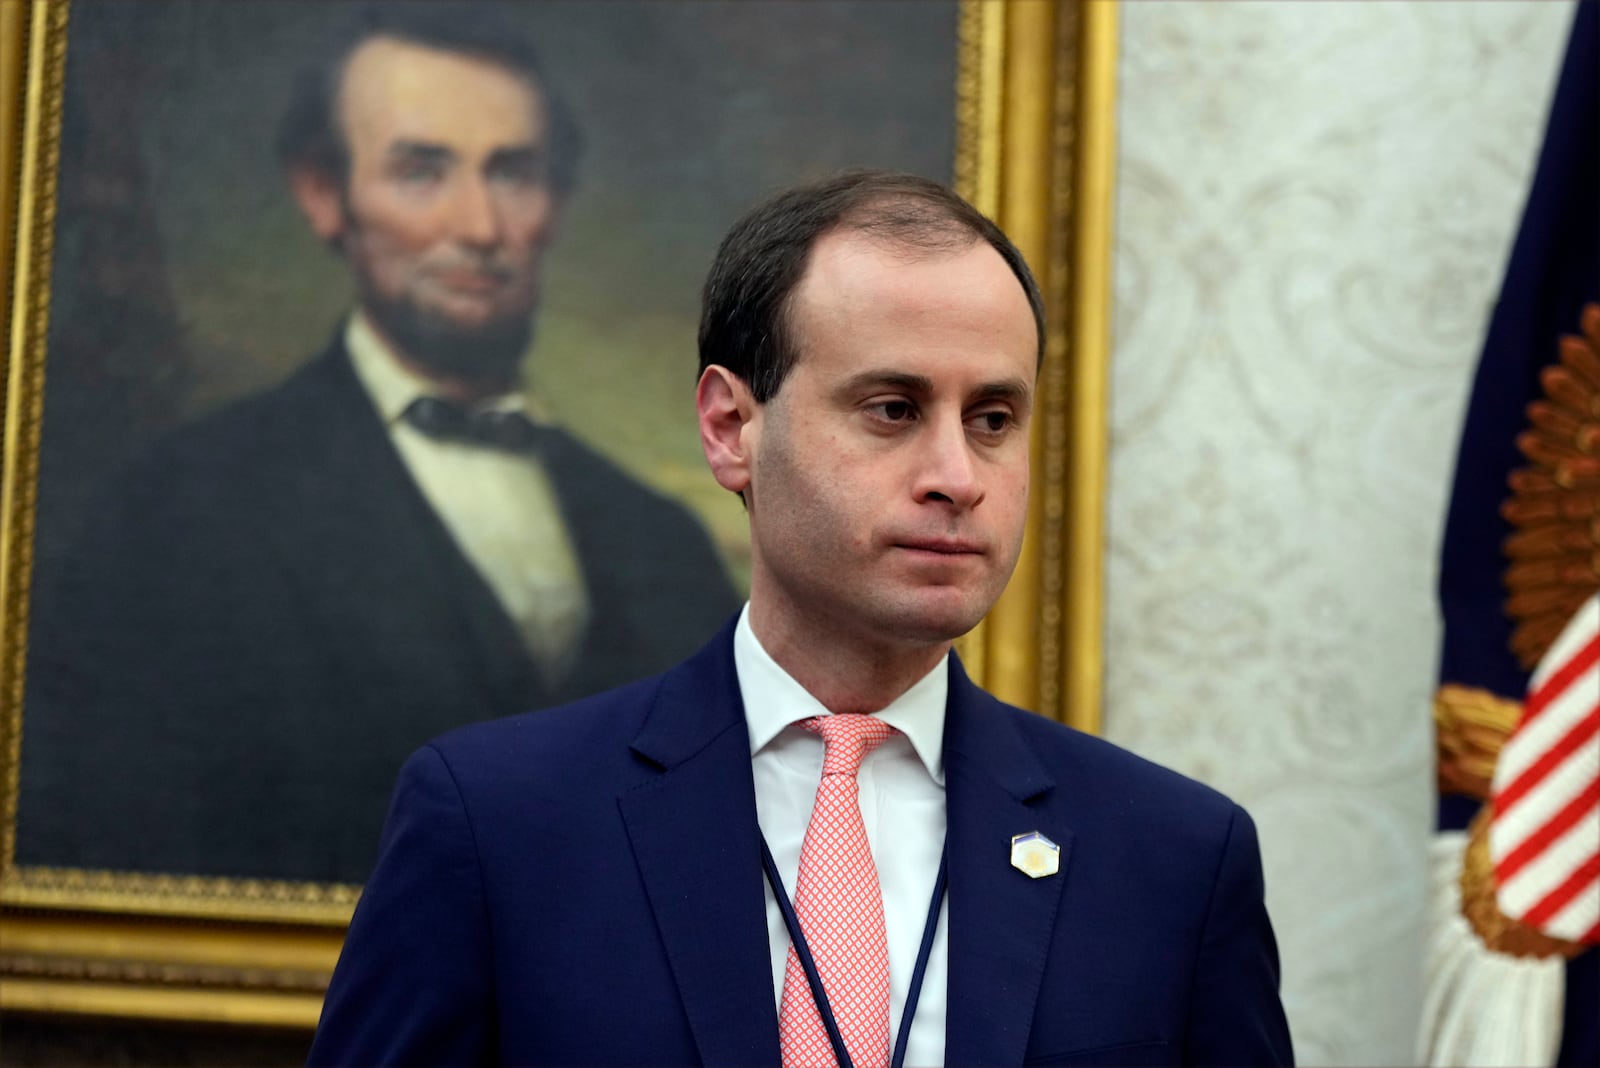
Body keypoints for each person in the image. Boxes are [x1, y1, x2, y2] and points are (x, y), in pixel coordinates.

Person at [308, 170, 1294, 1066]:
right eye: (892, 410)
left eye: (992, 419)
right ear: (731, 429)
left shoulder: (1170, 862)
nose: (957, 478)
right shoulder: (498, 826)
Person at [16, 6, 739, 885]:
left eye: (512, 172)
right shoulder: (176, 511)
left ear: (553, 202)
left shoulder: (658, 539)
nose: (478, 224)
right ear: (326, 195)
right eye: (421, 171)